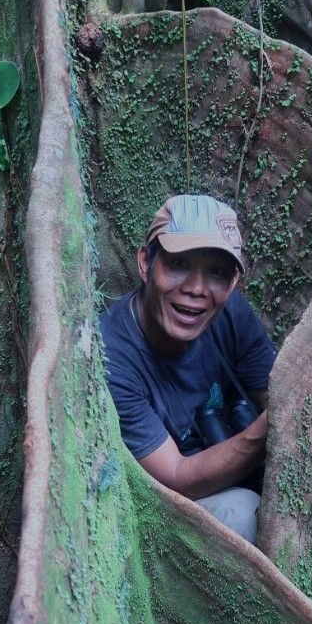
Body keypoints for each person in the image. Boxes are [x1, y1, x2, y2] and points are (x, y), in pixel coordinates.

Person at [99, 194, 275, 543]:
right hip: (163, 514)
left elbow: (275, 395)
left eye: (216, 273)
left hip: (232, 470)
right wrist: (273, 425)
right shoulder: (110, 355)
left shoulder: (232, 314)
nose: (196, 289)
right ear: (146, 263)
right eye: (179, 264)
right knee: (243, 514)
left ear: (232, 285)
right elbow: (177, 476)